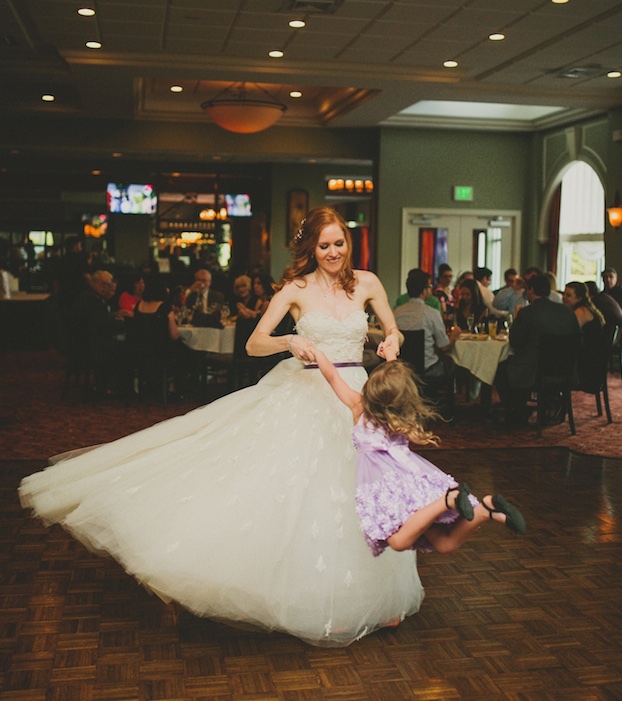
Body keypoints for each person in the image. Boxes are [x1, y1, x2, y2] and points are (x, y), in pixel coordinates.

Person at [19, 206, 420, 648]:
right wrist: (289, 340)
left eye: (338, 243)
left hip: (358, 395)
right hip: (307, 392)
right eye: (323, 245)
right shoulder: (296, 288)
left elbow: (393, 328)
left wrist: (391, 339)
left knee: (364, 488)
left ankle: (375, 596)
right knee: (311, 495)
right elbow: (253, 344)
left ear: (347, 242)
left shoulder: (367, 282)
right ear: (311, 248)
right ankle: (322, 601)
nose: (333, 252)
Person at [312, 353, 526, 556]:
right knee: (445, 544)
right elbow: (396, 384)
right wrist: (391, 358)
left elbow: (333, 377)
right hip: (413, 482)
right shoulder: (399, 416)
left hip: (393, 488)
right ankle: (487, 509)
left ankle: (449, 499)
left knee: (398, 541)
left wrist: (317, 353)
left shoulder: (359, 407)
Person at [495, 274, 580, 426]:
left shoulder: (527, 312)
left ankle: (516, 411)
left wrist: (517, 318)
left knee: (500, 369)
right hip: (564, 368)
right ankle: (547, 406)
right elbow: (577, 338)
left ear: (531, 290)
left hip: (534, 371)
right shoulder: (567, 311)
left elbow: (515, 342)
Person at [393, 268, 460, 418]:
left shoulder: (396, 312)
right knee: (451, 364)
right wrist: (454, 336)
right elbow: (444, 346)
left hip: (402, 367)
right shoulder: (431, 313)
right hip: (427, 369)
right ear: (424, 291)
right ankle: (447, 411)